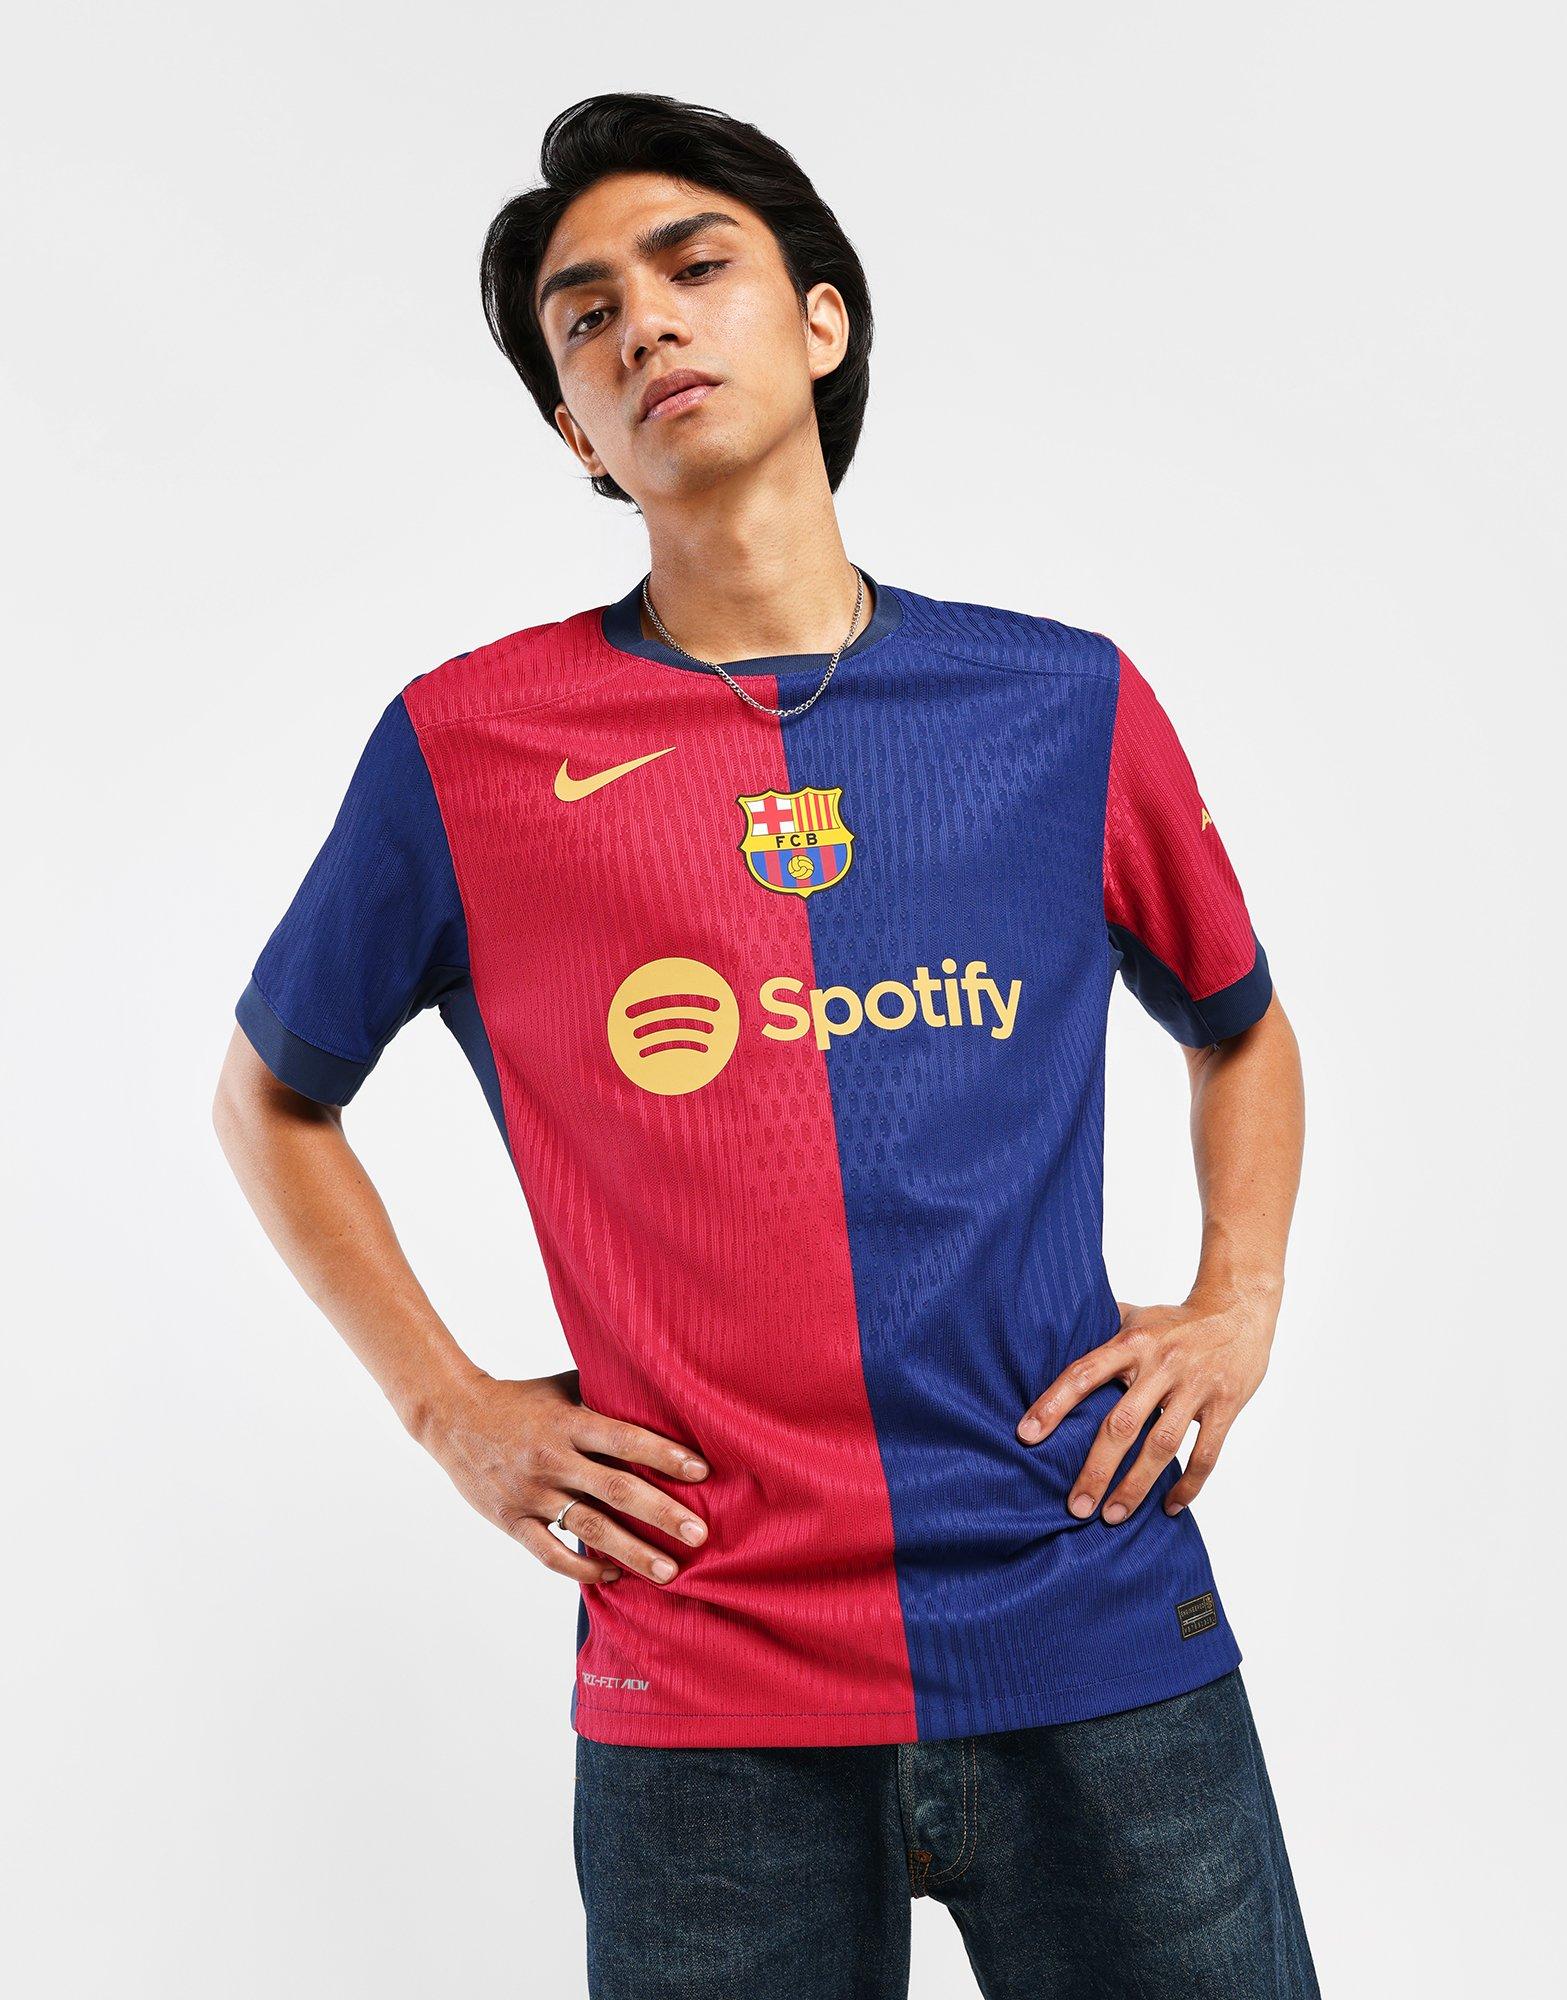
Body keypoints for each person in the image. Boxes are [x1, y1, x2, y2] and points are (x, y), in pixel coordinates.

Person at [213, 91, 1317, 2000]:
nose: (640, 322)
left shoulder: (1059, 701)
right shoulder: (469, 747)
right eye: (583, 317)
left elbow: (1243, 1025)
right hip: (702, 1677)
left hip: (1089, 1614)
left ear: (821, 320)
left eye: (693, 266)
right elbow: (270, 1098)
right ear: (575, 431)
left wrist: (1239, 1301)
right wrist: (450, 1409)